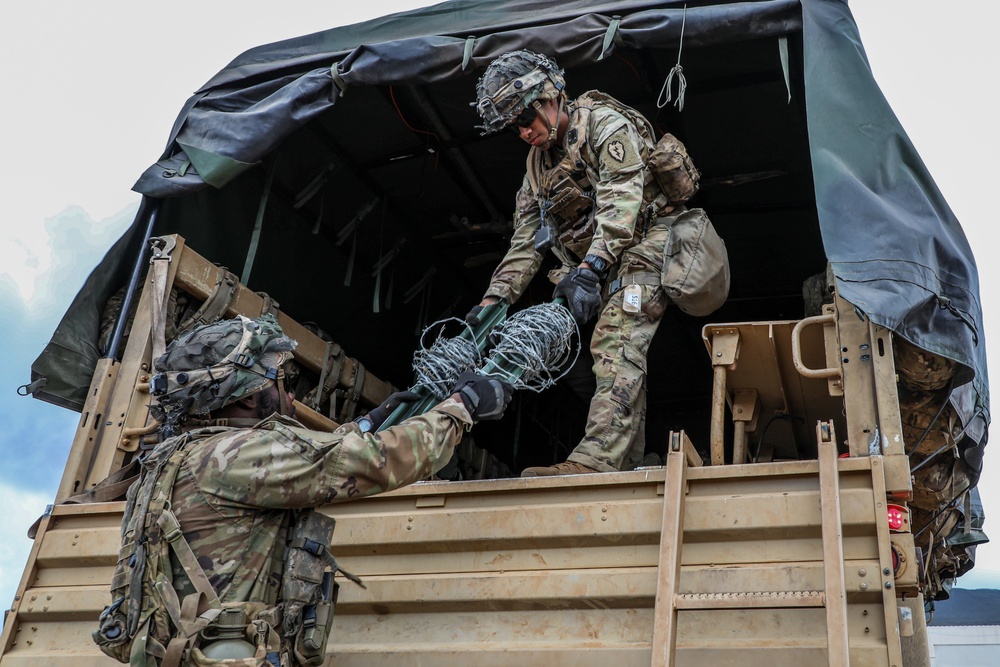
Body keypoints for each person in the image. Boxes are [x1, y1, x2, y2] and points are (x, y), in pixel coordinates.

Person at [93, 313, 512, 666]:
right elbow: (379, 461)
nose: (289, 394)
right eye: (279, 380)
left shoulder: (179, 458)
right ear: (242, 399)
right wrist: (461, 407)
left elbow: (311, 455)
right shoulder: (237, 457)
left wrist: (367, 422)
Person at [468, 49, 716, 477]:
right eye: (515, 126)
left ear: (552, 96)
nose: (525, 131)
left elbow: (623, 200)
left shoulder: (603, 124)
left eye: (527, 117)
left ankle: (594, 461)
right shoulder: (536, 167)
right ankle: (627, 463)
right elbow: (527, 241)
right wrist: (493, 303)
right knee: (611, 353)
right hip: (607, 262)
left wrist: (591, 268)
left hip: (652, 242)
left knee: (615, 339)